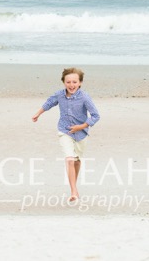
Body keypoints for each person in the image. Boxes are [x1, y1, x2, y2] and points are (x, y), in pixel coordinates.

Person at [32, 67, 101, 203]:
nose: (71, 85)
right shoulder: (59, 95)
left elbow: (95, 115)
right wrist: (38, 113)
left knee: (77, 160)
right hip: (64, 131)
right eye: (68, 82)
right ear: (64, 82)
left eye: (74, 82)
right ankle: (74, 191)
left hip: (81, 133)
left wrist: (81, 126)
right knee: (69, 159)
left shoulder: (84, 97)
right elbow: (49, 103)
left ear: (80, 83)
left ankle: (74, 184)